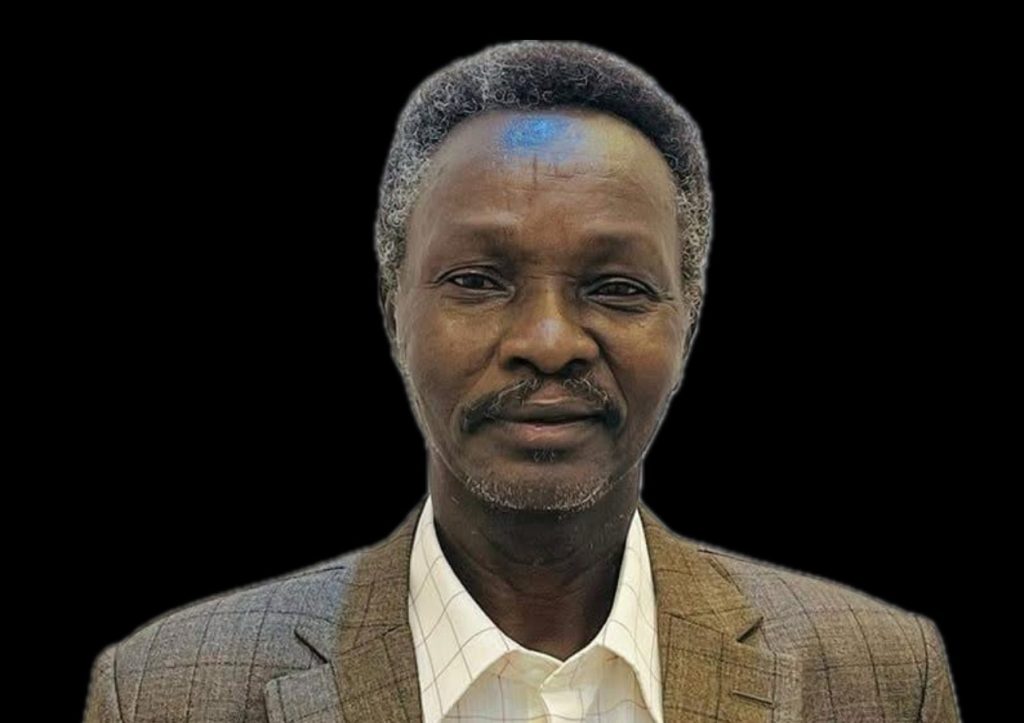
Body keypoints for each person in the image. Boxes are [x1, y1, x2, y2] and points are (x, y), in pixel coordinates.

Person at [83, 40, 961, 723]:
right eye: (478, 279)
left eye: (617, 287)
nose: (549, 341)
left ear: (689, 322)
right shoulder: (167, 689)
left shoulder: (880, 676)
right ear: (392, 310)